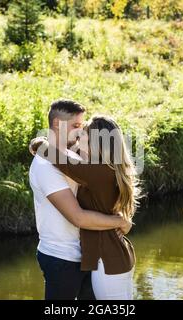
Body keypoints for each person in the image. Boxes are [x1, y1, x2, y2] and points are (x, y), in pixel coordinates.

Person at [28, 99, 132, 300]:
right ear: (58, 124)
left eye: (83, 129)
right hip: (62, 257)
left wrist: (39, 144)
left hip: (94, 256)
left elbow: (61, 157)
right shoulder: (50, 164)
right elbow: (78, 218)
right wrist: (120, 221)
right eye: (77, 127)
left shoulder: (90, 167)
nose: (79, 133)